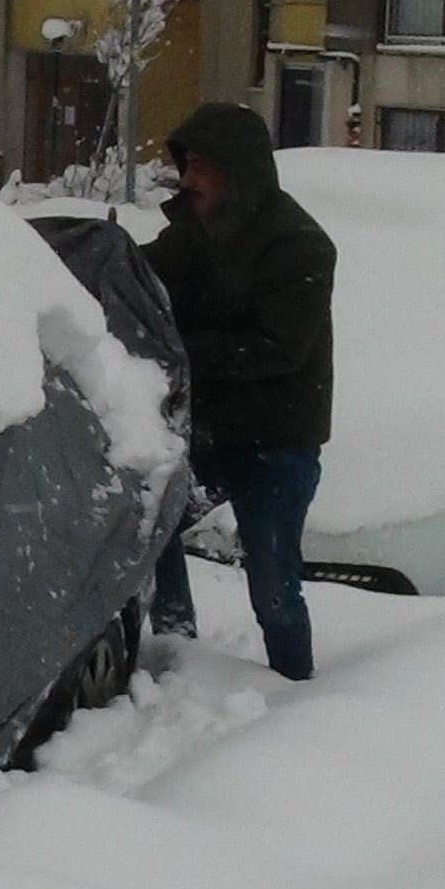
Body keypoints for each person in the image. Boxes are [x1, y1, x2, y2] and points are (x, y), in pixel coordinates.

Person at [145, 99, 337, 681]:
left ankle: (295, 690)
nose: (189, 179)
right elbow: (139, 276)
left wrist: (180, 349)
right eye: (187, 165)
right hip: (211, 436)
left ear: (240, 169)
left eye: (203, 167)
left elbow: (279, 348)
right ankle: (176, 652)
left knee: (274, 584)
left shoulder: (298, 243)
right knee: (151, 530)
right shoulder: (196, 231)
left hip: (277, 443)